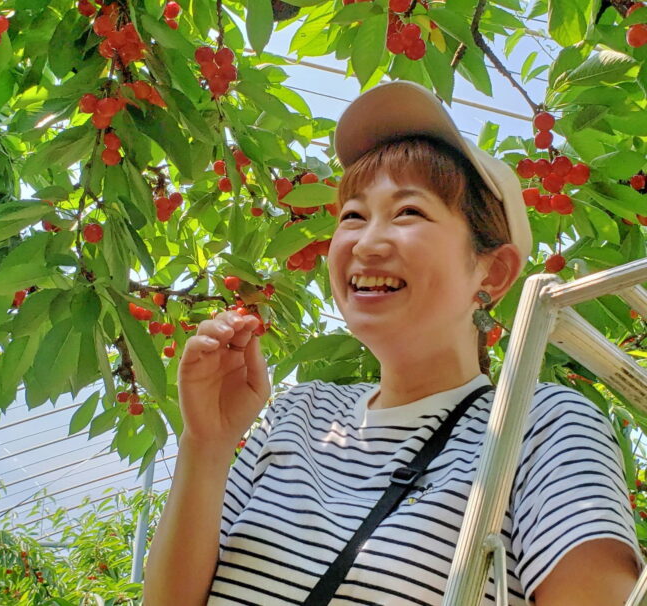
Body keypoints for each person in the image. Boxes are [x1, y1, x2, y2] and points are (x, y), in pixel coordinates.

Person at [142, 81, 645, 605]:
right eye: (352, 216)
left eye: (408, 212)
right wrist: (207, 445)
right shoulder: (295, 414)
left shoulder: (535, 424)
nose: (366, 242)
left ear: (493, 273)